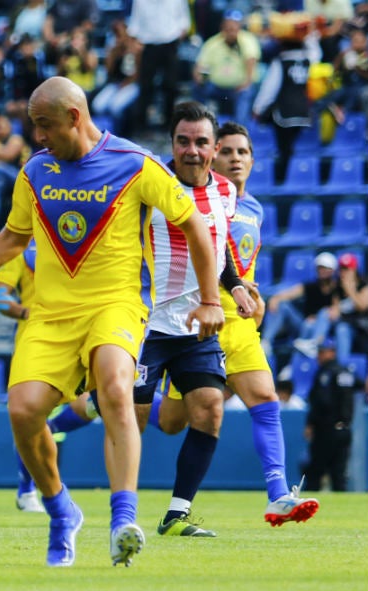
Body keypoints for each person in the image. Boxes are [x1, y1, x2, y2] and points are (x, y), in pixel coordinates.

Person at [0, 77, 225, 568]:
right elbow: (12, 239)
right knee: (22, 411)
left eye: (45, 125)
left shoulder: (134, 165)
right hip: (51, 315)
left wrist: (211, 300)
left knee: (117, 388)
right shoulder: (36, 171)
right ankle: (62, 511)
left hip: (115, 305)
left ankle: (124, 518)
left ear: (75, 118)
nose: (38, 136)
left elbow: (196, 227)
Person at [159, 120, 319, 527]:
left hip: (241, 324)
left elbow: (242, 262)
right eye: (227, 151)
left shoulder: (254, 208)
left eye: (242, 152)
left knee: (265, 401)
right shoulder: (197, 199)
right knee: (170, 422)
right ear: (213, 155)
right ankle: (117, 395)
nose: (234, 159)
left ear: (252, 159)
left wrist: (250, 292)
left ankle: (278, 494)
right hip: (198, 322)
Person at [120, 103, 255, 539]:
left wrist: (234, 286)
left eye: (201, 142)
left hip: (199, 325)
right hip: (148, 324)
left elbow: (219, 251)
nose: (192, 150)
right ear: (172, 145)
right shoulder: (148, 186)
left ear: (215, 149)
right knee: (133, 418)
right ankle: (123, 515)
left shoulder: (226, 193)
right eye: (183, 141)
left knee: (210, 410)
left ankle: (177, 514)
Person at [0, 241, 97, 513]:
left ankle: (52, 431)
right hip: (37, 344)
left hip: (78, 337)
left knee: (97, 403)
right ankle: (27, 491)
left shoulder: (78, 245)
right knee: (35, 416)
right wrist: (27, 312)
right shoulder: (21, 252)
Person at [252, 35, 318, 183]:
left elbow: (270, 88)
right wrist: (309, 36)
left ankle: (282, 181)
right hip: (303, 113)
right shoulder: (308, 60)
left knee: (284, 150)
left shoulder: (280, 62)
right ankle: (295, 180)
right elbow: (316, 51)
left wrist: (258, 107)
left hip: (284, 114)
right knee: (294, 150)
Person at [260, 252, 341, 358]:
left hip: (321, 327)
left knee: (324, 313)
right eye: (320, 268)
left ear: (332, 270)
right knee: (283, 305)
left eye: (325, 268)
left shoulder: (337, 289)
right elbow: (290, 293)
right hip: (303, 324)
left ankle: (314, 343)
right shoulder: (309, 286)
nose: (322, 271)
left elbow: (336, 311)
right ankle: (266, 342)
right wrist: (276, 298)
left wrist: (317, 318)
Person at [127, 0, 190, 134]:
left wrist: (177, 37)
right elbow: (134, 25)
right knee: (145, 86)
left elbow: (185, 22)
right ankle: (141, 126)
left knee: (171, 85)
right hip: (148, 46)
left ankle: (168, 124)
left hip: (170, 44)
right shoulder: (140, 2)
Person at [303, 339, 356, 491]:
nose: (319, 356)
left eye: (322, 352)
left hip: (326, 429)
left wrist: (311, 423)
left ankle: (309, 506)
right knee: (339, 473)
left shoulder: (325, 372)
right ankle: (342, 511)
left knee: (315, 472)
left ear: (332, 352)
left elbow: (321, 401)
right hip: (344, 429)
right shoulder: (345, 372)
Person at [192, 10, 262, 125]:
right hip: (217, 86)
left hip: (238, 87)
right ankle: (198, 122)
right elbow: (200, 65)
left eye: (234, 27)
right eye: (228, 27)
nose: (231, 31)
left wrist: (245, 83)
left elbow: (251, 61)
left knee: (246, 92)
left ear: (239, 26)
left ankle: (240, 129)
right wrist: (199, 77)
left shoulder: (247, 40)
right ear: (223, 26)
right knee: (197, 87)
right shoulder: (213, 42)